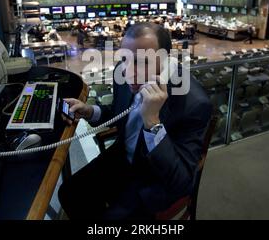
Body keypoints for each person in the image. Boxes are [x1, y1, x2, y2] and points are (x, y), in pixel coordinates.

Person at [59, 23, 213, 220]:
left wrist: (153, 122)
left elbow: (181, 181)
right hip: (122, 157)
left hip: (154, 180)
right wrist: (90, 111)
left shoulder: (194, 103)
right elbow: (121, 111)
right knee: (69, 193)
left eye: (142, 62)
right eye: (124, 58)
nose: (129, 72)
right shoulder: (122, 73)